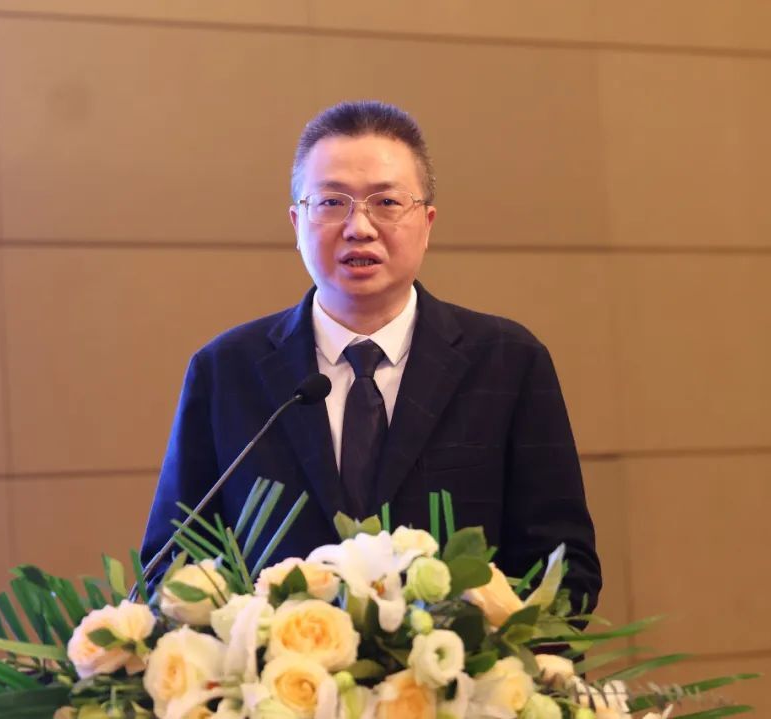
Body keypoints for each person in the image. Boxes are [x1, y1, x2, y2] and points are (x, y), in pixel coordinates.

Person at [141, 100, 601, 609]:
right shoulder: (227, 371)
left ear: (427, 222)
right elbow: (172, 566)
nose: (359, 227)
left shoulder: (508, 363)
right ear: (296, 223)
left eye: (386, 202)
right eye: (331, 202)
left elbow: (564, 570)